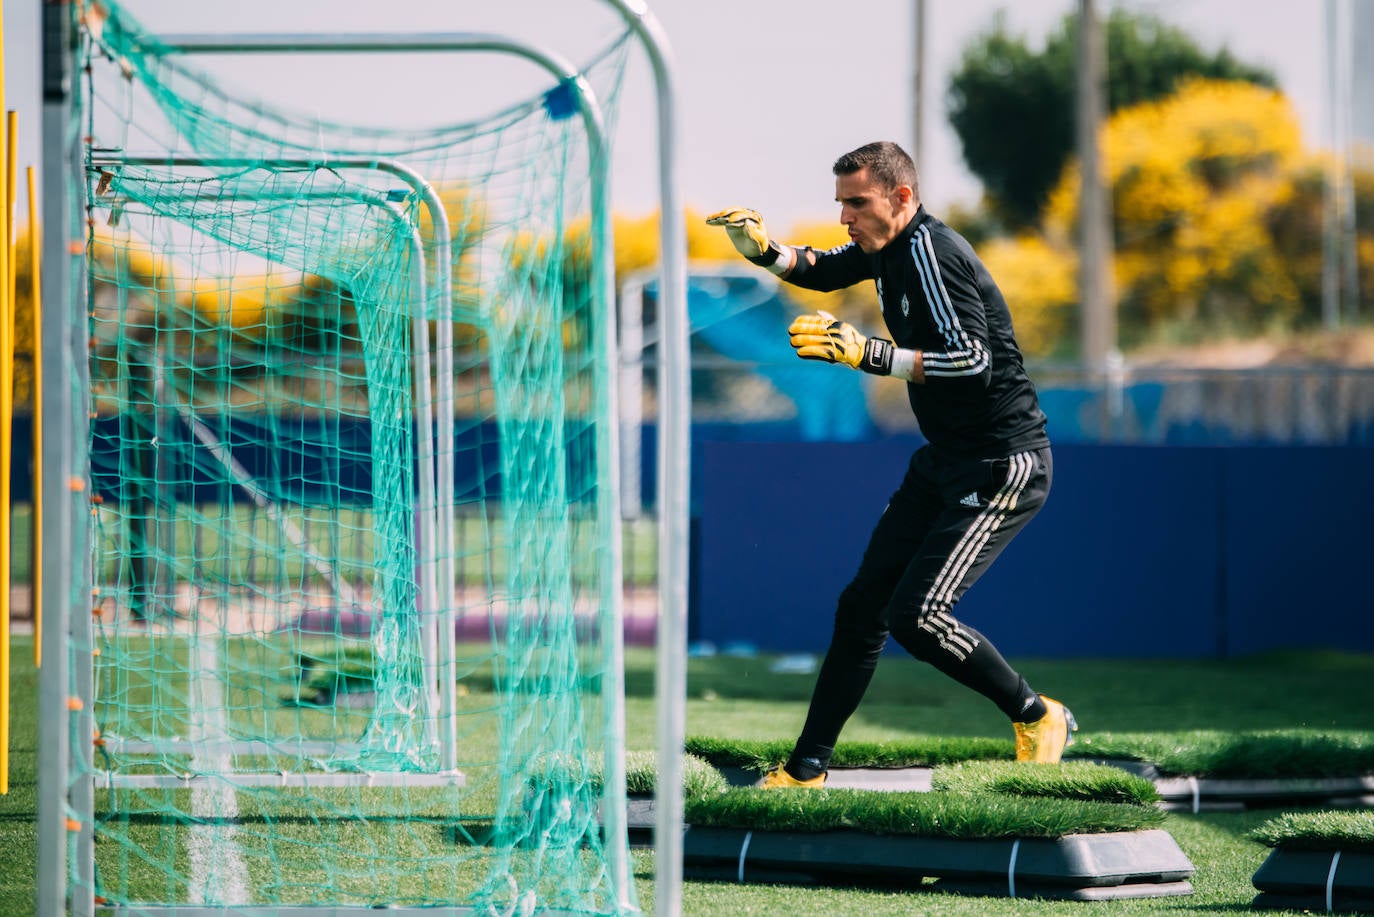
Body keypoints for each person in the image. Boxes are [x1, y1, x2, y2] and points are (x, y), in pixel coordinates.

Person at [705, 140, 1074, 788]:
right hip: (945, 460)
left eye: (857, 202)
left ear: (901, 198)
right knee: (862, 607)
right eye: (840, 202)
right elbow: (821, 268)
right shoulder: (886, 247)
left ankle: (1038, 714)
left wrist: (870, 354)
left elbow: (973, 362)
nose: (845, 216)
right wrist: (762, 250)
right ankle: (806, 769)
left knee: (917, 616)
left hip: (1002, 464)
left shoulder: (932, 252)